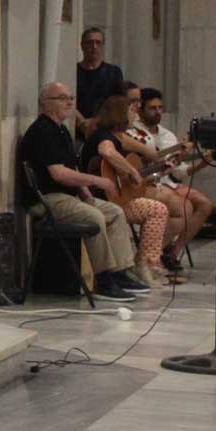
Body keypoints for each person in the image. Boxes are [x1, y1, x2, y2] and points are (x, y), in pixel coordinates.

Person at [20, 82, 146, 303]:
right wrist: (98, 181)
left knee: (114, 211)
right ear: (45, 104)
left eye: (71, 97)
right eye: (62, 98)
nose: (69, 102)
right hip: (47, 199)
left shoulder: (61, 130)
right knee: (94, 217)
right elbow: (59, 174)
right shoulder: (42, 131)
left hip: (67, 197)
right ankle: (104, 280)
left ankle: (121, 272)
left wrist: (87, 193)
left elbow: (73, 167)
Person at [83, 92, 172, 286]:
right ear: (119, 114)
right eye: (132, 111)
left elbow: (133, 180)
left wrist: (156, 172)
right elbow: (106, 152)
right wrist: (131, 170)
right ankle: (143, 264)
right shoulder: (104, 137)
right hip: (101, 198)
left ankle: (145, 263)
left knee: (158, 207)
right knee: (157, 209)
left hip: (118, 197)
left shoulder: (117, 138)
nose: (136, 116)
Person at [136, 87, 215, 272]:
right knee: (185, 207)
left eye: (160, 108)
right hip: (149, 182)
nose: (158, 112)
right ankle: (148, 254)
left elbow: (178, 172)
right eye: (152, 108)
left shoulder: (167, 135)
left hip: (168, 182)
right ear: (140, 109)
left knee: (205, 204)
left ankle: (172, 251)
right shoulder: (134, 131)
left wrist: (204, 162)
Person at [73, 27, 123, 136]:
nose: (94, 47)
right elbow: (68, 99)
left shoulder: (113, 72)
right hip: (76, 127)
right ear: (82, 45)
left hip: (104, 129)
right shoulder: (73, 71)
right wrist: (81, 121)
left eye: (98, 43)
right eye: (90, 43)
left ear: (102, 46)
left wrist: (95, 121)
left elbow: (117, 102)